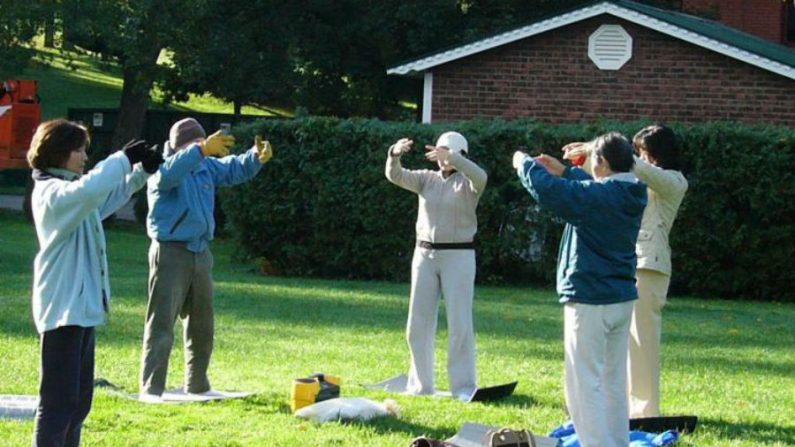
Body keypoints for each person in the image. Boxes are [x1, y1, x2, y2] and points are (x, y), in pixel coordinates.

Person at [28, 119, 161, 446]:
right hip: (63, 310)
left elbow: (103, 196)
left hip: (80, 310)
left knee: (78, 403)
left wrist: (140, 172)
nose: (84, 156)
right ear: (58, 152)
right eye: (78, 150)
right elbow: (89, 189)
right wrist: (120, 159)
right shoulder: (52, 193)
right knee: (59, 403)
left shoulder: (71, 191)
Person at [513, 132, 646, 447]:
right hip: (621, 298)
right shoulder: (634, 192)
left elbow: (553, 193)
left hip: (590, 298)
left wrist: (523, 163)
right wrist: (564, 170)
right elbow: (584, 190)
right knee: (613, 381)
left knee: (583, 384)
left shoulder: (598, 197)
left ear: (601, 162)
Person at [139, 118, 273, 402]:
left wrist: (255, 157)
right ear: (180, 146)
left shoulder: (204, 165)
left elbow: (232, 168)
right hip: (170, 251)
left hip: (201, 252)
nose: (203, 149)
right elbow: (168, 176)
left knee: (202, 325)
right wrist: (200, 149)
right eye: (196, 144)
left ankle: (198, 385)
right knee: (162, 322)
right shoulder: (162, 166)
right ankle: (151, 389)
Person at [562, 125, 688, 418]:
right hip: (628, 263)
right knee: (619, 342)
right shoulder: (640, 178)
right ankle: (617, 407)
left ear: (656, 153)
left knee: (642, 342)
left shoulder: (674, 181)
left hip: (650, 267)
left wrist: (595, 146)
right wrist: (589, 159)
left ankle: (645, 413)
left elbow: (632, 164)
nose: (640, 156)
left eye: (644, 150)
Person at [385, 131, 487, 401]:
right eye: (441, 152)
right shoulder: (426, 179)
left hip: (459, 257)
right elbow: (396, 176)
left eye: (450, 153)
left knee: (459, 323)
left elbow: (481, 175)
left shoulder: (468, 183)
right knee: (417, 323)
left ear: (461, 155)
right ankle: (420, 384)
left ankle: (463, 387)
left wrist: (453, 157)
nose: (443, 158)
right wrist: (394, 154)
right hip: (424, 256)